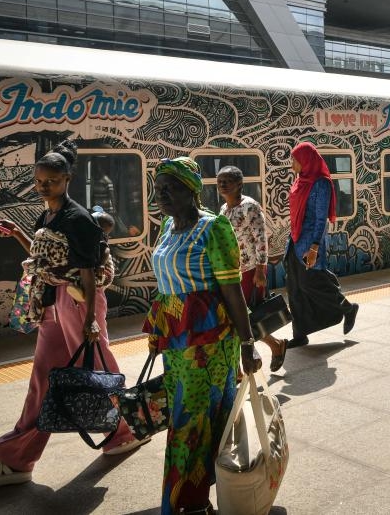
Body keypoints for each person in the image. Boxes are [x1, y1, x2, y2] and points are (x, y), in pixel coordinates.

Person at [0, 141, 145, 489]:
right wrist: (18, 232)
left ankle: (124, 430)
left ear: (67, 179)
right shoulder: (46, 214)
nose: (42, 187)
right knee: (44, 378)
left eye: (50, 181)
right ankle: (19, 457)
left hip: (78, 300)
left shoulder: (78, 218)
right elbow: (42, 258)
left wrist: (91, 320)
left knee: (97, 369)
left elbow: (89, 271)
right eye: (38, 181)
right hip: (53, 300)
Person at [144, 157, 260, 515]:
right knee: (193, 420)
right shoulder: (166, 226)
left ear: (192, 190)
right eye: (158, 187)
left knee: (191, 425)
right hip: (176, 345)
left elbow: (232, 291)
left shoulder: (215, 228)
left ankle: (186, 503)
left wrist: (247, 343)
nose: (160, 194)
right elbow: (166, 287)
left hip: (209, 346)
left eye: (170, 188)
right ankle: (197, 498)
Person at [284, 142, 358, 348]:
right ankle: (299, 334)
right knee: (295, 288)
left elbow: (320, 218)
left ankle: (347, 308)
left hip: (310, 242)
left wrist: (315, 246)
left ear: (306, 160)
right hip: (295, 240)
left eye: (295, 160)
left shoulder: (320, 184)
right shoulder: (300, 181)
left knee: (312, 283)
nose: (292, 165)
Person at [217, 165, 288, 372]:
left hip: (250, 270)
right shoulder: (223, 210)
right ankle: (276, 346)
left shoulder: (250, 206)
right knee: (237, 317)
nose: (222, 185)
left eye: (227, 181)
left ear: (239, 184)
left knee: (245, 316)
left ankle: (244, 365)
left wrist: (260, 270)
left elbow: (261, 239)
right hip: (232, 271)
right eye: (219, 181)